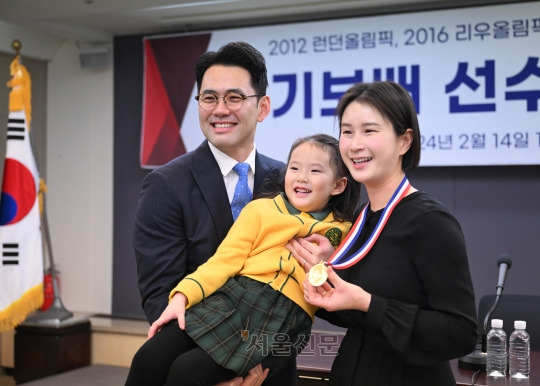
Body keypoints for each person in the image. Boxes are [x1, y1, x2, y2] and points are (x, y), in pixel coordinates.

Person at [126, 134, 360, 386]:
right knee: (147, 358)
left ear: (338, 185)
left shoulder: (345, 232)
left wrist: (326, 265)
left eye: (315, 170)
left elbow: (343, 290)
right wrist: (182, 296)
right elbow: (223, 261)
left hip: (283, 324)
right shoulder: (261, 210)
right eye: (294, 167)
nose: (302, 177)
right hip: (231, 302)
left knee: (187, 372)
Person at [286, 81, 478, 385]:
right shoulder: (363, 217)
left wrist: (367, 302)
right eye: (347, 131)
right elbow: (357, 315)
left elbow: (462, 333)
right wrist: (328, 280)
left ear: (404, 141)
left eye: (369, 131)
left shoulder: (430, 221)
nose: (354, 144)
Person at [134, 41, 289, 385]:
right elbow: (160, 293)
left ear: (262, 107)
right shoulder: (166, 184)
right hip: (198, 363)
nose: (220, 109)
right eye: (209, 98)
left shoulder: (288, 181)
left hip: (271, 360)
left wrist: (257, 360)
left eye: (234, 98)